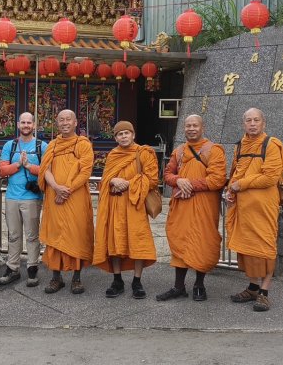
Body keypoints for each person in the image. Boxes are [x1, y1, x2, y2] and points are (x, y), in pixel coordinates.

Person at [157, 115, 226, 302]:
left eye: (195, 125)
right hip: (182, 205)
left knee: (201, 241)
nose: (191, 128)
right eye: (188, 126)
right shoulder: (179, 151)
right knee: (180, 240)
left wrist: (189, 184)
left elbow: (218, 179)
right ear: (184, 129)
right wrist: (178, 180)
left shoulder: (214, 150)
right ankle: (179, 286)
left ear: (202, 127)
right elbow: (167, 174)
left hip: (204, 205)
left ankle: (199, 285)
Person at [225, 108, 283, 312]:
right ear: (244, 124)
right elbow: (235, 172)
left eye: (256, 120)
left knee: (265, 247)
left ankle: (264, 292)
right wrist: (230, 190)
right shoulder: (240, 146)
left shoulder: (271, 145)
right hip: (243, 207)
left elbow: (270, 177)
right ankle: (252, 287)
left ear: (263, 123)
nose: (252, 124)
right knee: (246, 248)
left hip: (264, 207)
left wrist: (240, 185)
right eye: (248, 120)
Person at [91, 121, 159, 299]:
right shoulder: (113, 154)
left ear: (133, 135)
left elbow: (152, 179)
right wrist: (113, 181)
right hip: (115, 204)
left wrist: (128, 183)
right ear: (115, 138)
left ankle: (137, 281)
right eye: (119, 134)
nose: (123, 137)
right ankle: (117, 279)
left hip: (135, 205)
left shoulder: (144, 153)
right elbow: (106, 179)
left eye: (126, 133)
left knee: (137, 241)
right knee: (115, 242)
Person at [38, 109, 95, 295]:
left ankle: (76, 279)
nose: (64, 123)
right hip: (55, 198)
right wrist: (56, 187)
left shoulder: (83, 144)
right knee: (55, 236)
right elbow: (44, 169)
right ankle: (56, 278)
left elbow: (85, 172)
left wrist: (66, 190)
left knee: (76, 234)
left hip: (75, 197)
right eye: (61, 120)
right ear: (57, 123)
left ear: (76, 122)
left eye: (68, 119)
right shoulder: (52, 145)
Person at [0, 112, 49, 287]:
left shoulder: (42, 146)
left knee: (32, 236)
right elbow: (2, 171)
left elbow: (47, 172)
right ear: (18, 124)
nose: (26, 125)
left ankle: (32, 267)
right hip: (12, 196)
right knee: (13, 235)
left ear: (34, 125)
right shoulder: (9, 145)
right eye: (23, 122)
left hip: (32, 198)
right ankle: (12, 268)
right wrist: (19, 164)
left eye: (29, 122)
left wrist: (29, 166)